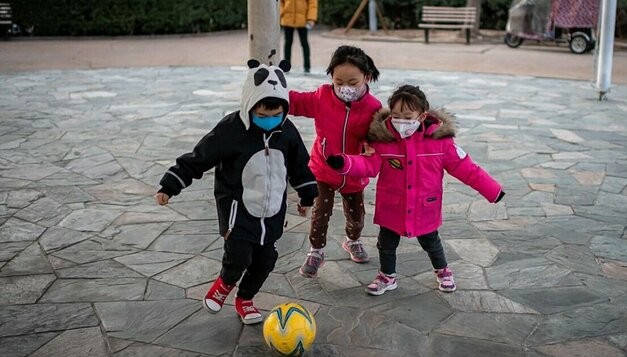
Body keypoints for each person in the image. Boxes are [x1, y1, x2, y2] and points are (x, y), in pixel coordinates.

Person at [154, 58, 318, 324]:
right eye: (261, 116)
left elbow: (300, 165)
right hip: (237, 211)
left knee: (266, 261)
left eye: (275, 115)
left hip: (273, 212)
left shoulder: (287, 132)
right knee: (239, 255)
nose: (269, 121)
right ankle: (225, 283)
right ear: (248, 106)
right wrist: (170, 185)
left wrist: (307, 195)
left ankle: (245, 298)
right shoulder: (231, 130)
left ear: (284, 110)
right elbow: (199, 157)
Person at [326, 85, 505, 295]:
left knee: (431, 242)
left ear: (422, 116)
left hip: (424, 206)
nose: (401, 121)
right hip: (393, 206)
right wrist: (344, 163)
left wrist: (493, 190)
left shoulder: (440, 142)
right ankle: (387, 275)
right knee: (386, 244)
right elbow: (368, 165)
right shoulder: (384, 141)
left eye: (407, 116)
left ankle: (443, 271)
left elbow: (466, 168)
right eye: (395, 115)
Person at [288, 45, 382, 278]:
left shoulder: (374, 108)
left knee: (356, 217)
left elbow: (379, 136)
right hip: (323, 168)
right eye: (338, 81)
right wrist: (269, 91)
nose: (344, 88)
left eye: (352, 82)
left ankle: (353, 240)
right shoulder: (322, 97)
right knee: (320, 213)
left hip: (354, 171)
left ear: (366, 77)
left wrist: (373, 145)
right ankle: (316, 251)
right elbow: (295, 102)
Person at [280, 0, 318, 74]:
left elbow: (312, 2)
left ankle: (307, 67)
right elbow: (279, 1)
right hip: (287, 19)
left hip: (303, 20)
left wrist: (311, 19)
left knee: (304, 43)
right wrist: (282, 12)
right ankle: (286, 67)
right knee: (287, 43)